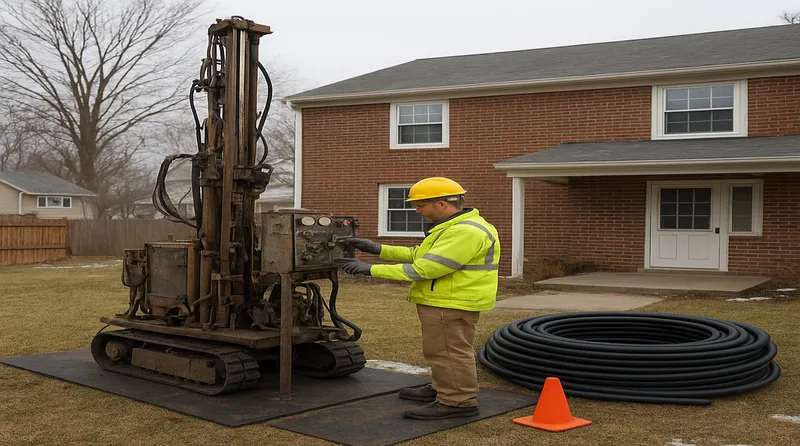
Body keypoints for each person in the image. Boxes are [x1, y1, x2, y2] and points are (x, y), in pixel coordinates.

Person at [336, 177, 500, 420]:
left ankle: (457, 401)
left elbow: (425, 269)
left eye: (420, 205)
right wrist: (377, 249)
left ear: (442, 204)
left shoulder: (465, 231)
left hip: (451, 303)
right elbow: (418, 254)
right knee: (440, 350)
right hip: (447, 300)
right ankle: (442, 387)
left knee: (449, 352)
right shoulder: (454, 227)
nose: (417, 210)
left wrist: (369, 269)